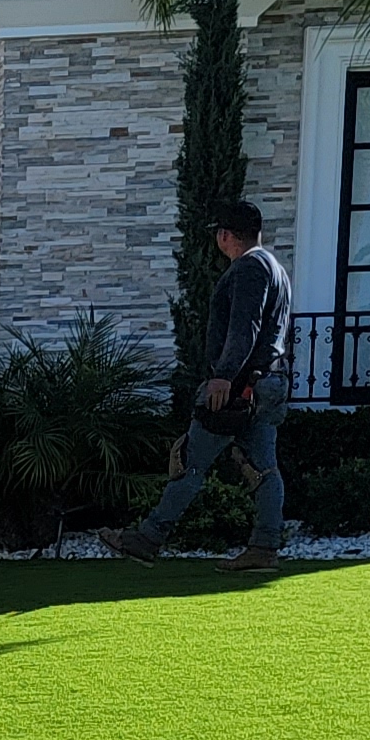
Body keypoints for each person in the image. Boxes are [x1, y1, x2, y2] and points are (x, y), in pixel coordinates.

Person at [100, 199, 292, 570]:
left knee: (190, 460)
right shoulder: (276, 269)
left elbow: (245, 326)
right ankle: (265, 547)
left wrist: (223, 375)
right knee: (264, 469)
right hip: (269, 382)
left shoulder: (248, 268)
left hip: (239, 385)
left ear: (224, 236)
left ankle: (148, 538)